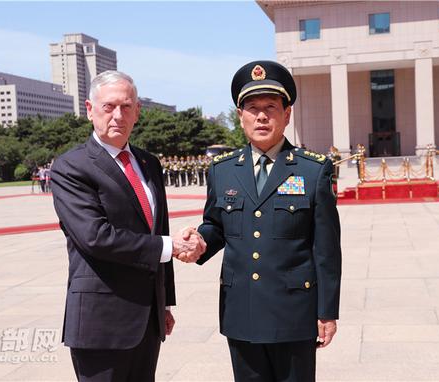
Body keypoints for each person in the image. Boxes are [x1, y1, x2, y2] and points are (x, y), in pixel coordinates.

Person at [190, 60, 342, 382]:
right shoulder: (222, 169)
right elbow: (215, 225)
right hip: (241, 310)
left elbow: (326, 248)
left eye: (271, 107)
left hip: (294, 312)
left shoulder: (313, 170)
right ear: (240, 115)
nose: (261, 116)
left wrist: (327, 311)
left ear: (287, 115)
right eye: (252, 107)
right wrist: (200, 241)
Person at [50, 70, 205, 382]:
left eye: (126, 107)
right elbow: (95, 237)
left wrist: (165, 302)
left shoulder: (148, 163)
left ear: (138, 112)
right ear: (89, 109)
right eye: (108, 107)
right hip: (101, 322)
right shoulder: (71, 166)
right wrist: (171, 246)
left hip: (147, 318)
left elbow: (158, 228)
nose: (117, 115)